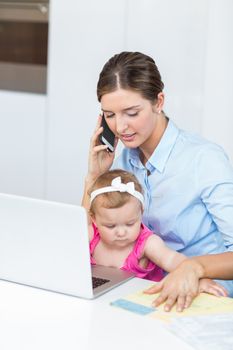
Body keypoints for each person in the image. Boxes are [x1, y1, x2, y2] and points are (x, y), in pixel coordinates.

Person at [82, 51, 233, 311]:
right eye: (110, 115)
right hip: (141, 291)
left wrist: (193, 267)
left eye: (131, 112)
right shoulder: (122, 163)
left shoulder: (204, 159)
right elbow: (85, 237)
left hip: (202, 294)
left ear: (158, 101)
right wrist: (95, 176)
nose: (120, 127)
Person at [83, 168, 226, 303]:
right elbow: (66, 243)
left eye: (130, 223)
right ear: (94, 219)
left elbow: (172, 259)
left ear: (141, 212)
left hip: (139, 304)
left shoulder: (147, 243)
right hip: (100, 301)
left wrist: (199, 279)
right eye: (110, 226)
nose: (121, 232)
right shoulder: (91, 235)